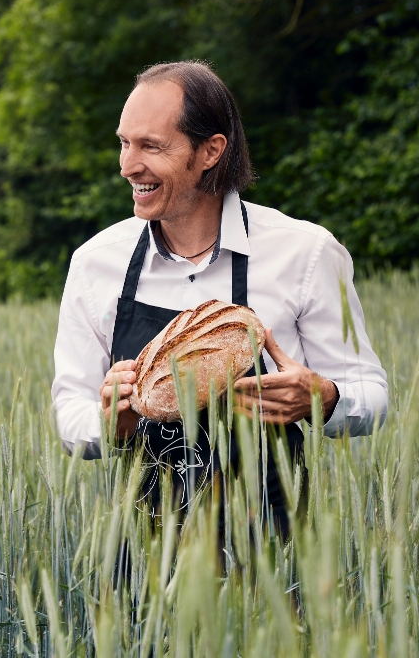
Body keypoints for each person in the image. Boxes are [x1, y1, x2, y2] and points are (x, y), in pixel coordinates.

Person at [51, 61, 388, 531]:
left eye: (151, 145)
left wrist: (325, 398)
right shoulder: (95, 263)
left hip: (273, 561)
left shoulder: (306, 253)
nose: (128, 165)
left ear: (210, 151)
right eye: (124, 142)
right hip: (142, 566)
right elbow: (70, 410)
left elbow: (371, 395)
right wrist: (107, 425)